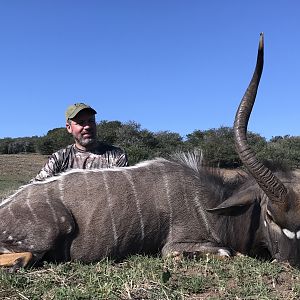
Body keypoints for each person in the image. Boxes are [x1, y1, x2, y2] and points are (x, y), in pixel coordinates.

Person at [32, 103, 128, 181]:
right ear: (69, 128)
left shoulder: (116, 155)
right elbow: (35, 187)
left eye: (91, 121)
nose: (87, 127)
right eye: (81, 123)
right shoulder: (59, 158)